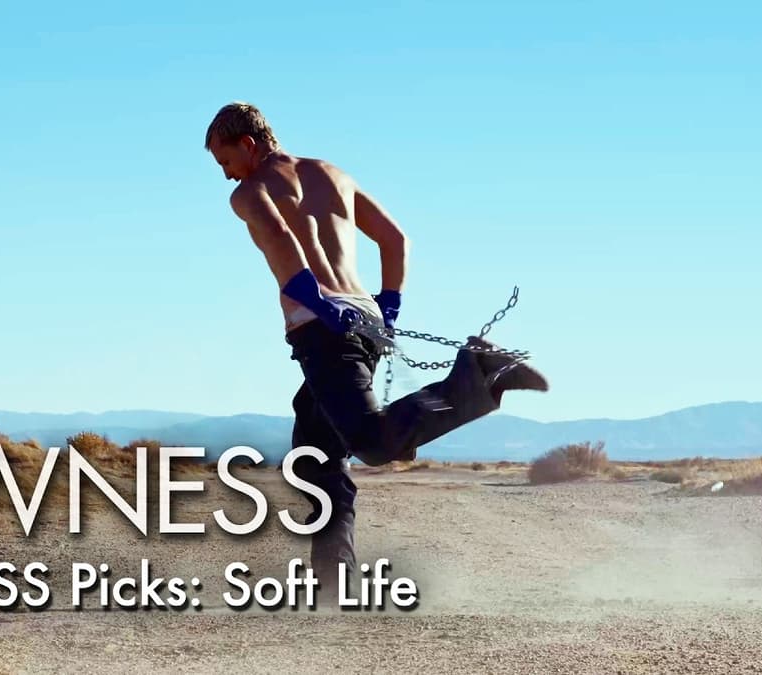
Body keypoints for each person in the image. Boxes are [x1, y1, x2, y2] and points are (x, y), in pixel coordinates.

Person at [204, 102, 549, 595]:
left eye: (226, 162)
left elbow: (281, 240)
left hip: (322, 327)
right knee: (316, 456)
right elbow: (395, 238)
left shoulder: (251, 192)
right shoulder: (331, 174)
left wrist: (321, 306)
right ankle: (332, 577)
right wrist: (386, 310)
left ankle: (479, 374)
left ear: (248, 144)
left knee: (374, 441)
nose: (227, 175)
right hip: (360, 318)